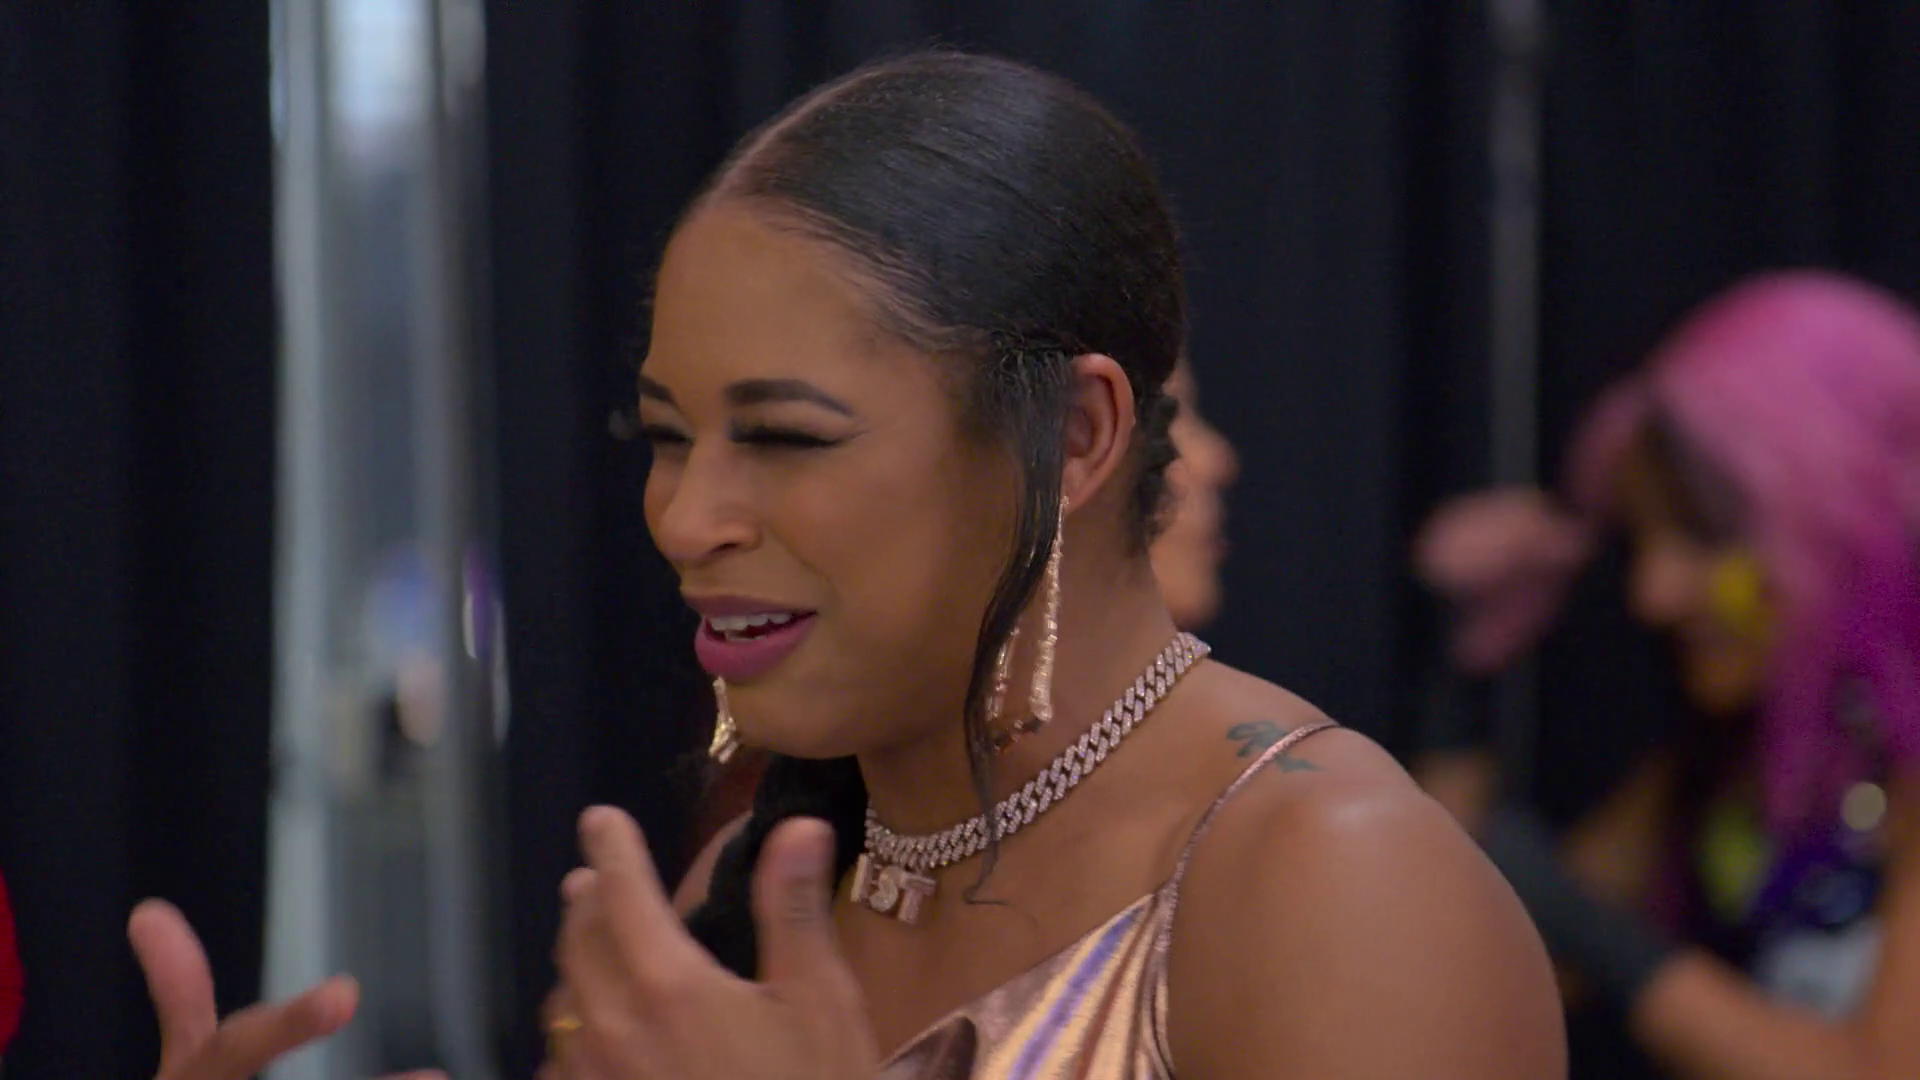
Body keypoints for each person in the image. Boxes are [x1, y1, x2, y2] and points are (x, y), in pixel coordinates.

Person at [132, 51, 1563, 1080]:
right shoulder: (753, 893)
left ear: (1073, 437)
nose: (685, 518)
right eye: (668, 437)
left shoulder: (1333, 882)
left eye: (786, 438)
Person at [1416, 271, 1920, 1079]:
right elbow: (1456, 965)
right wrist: (1462, 681)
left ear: (1843, 523)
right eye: (1645, 540)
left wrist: (1589, 927)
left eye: (1704, 534)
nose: (1654, 594)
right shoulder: (1721, 771)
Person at [686, 356, 1240, 855]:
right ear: (1072, 439)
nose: (1217, 461)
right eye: (1170, 417)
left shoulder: (1256, 821)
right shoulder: (779, 843)